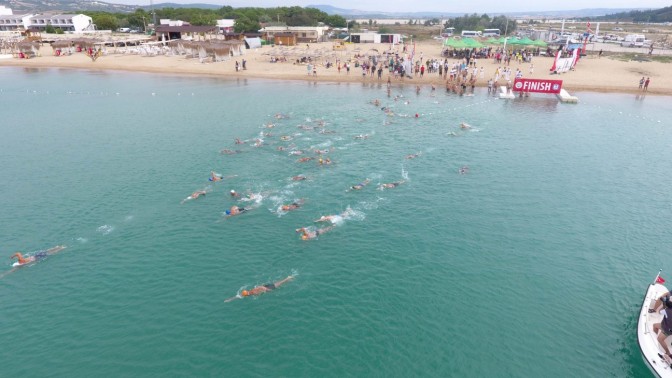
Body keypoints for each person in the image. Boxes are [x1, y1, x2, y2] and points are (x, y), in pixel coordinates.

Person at [224, 275, 294, 302]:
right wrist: (229, 299)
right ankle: (287, 279)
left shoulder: (253, 293)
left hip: (266, 288)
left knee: (279, 284)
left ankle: (288, 278)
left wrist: (267, 290)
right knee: (277, 283)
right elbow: (238, 296)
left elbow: (260, 288)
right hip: (265, 286)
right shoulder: (250, 291)